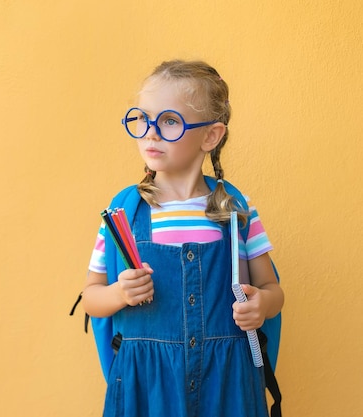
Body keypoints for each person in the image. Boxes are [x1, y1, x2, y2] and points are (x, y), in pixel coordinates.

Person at [82, 60, 284, 417]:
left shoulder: (236, 210)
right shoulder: (124, 214)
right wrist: (118, 293)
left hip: (228, 381)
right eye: (142, 118)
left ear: (211, 135)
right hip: (145, 384)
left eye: (170, 121)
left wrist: (262, 305)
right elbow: (91, 298)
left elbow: (272, 288)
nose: (151, 132)